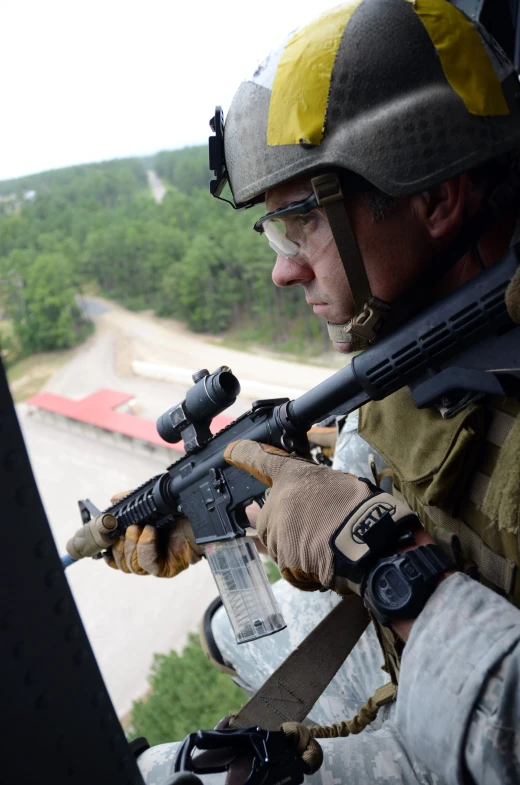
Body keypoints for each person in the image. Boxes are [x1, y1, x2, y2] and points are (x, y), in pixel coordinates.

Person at [108, 1, 520, 783]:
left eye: (302, 224)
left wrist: (383, 553)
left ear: (435, 198)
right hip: (422, 665)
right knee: (228, 636)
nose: (283, 269)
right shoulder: (422, 339)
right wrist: (234, 505)